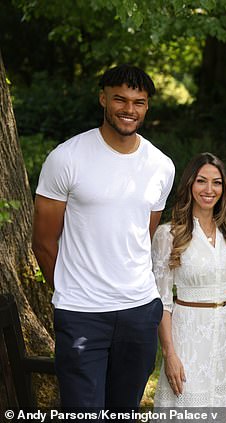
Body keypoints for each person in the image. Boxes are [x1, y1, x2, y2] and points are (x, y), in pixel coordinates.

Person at [31, 64, 175, 412]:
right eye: (120, 99)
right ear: (103, 99)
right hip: (82, 313)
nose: (129, 109)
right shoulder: (66, 158)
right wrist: (71, 288)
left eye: (138, 102)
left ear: (147, 106)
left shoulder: (161, 166)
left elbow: (144, 232)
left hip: (140, 312)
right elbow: (43, 242)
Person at [151, 153, 226, 421]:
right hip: (189, 338)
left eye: (217, 183)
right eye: (202, 181)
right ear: (189, 185)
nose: (209, 190)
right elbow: (162, 301)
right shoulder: (168, 235)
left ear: (224, 188)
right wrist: (169, 353)